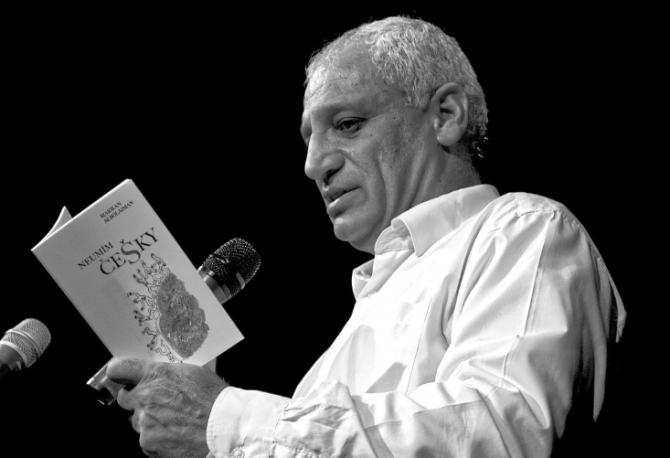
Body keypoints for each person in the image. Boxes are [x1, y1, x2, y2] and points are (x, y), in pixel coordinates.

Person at [107, 16, 626, 457]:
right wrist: (196, 424)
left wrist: (223, 419)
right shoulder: (338, 352)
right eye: (309, 139)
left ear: (446, 116)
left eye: (348, 124)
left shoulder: (523, 230)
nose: (314, 165)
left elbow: (503, 432)